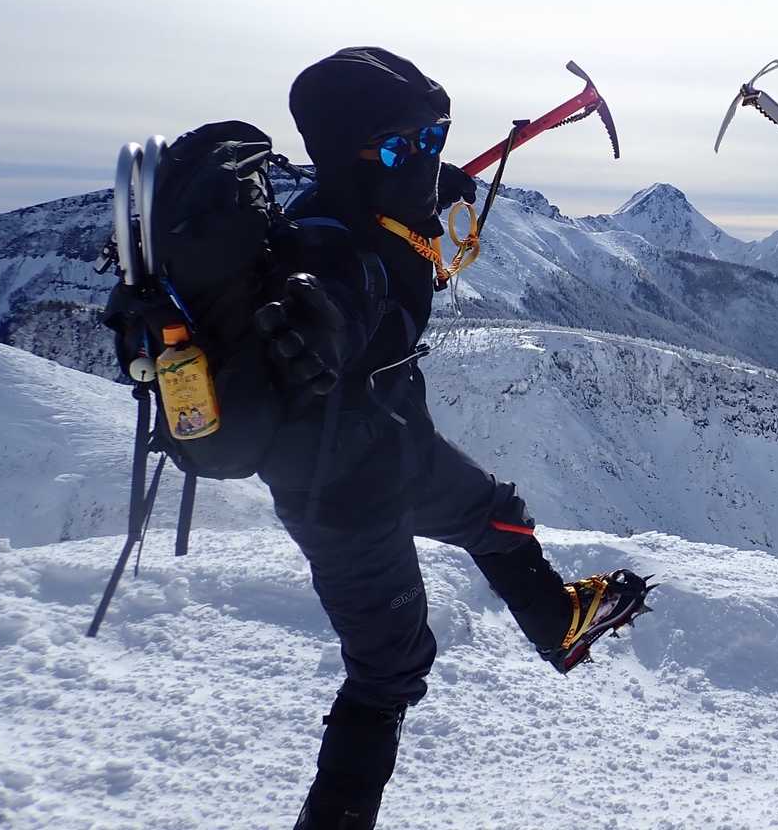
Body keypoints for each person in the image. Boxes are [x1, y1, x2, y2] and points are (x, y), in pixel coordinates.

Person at [253, 47, 651, 829]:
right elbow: (331, 303)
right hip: (344, 493)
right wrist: (317, 327)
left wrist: (423, 190)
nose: (424, 157)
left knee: (501, 518)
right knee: (388, 674)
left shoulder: (362, 209)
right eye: (399, 147)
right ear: (346, 155)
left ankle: (558, 626)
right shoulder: (330, 258)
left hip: (395, 449)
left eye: (434, 136)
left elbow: (386, 220)